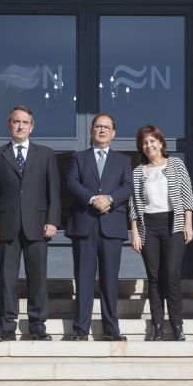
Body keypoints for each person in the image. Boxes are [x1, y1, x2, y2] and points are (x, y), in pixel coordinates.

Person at [0, 106, 61, 342]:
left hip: (38, 225)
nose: (20, 126)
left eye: (25, 122)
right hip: (6, 226)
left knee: (37, 279)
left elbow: (54, 193)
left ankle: (37, 326)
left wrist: (53, 220)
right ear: (9, 124)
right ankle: (6, 327)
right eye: (16, 122)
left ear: (32, 126)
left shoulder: (45, 154)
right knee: (7, 280)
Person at [65, 113, 132, 341]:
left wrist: (110, 199)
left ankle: (111, 329)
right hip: (84, 225)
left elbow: (127, 187)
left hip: (111, 227)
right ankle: (80, 330)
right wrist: (94, 199)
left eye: (107, 127)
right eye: (98, 126)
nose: (102, 130)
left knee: (110, 282)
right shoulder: (78, 157)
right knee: (83, 280)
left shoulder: (123, 161)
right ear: (91, 131)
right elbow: (72, 183)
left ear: (113, 133)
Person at [129, 125, 193, 341]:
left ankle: (177, 325)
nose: (149, 146)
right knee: (155, 276)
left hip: (173, 224)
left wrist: (188, 224)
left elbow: (187, 196)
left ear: (161, 142)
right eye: (145, 142)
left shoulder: (176, 164)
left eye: (152, 141)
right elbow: (133, 205)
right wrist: (135, 233)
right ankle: (157, 326)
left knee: (172, 274)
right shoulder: (138, 171)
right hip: (149, 225)